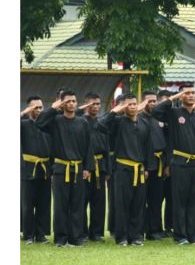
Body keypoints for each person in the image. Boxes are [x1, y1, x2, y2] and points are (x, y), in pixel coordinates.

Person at [151, 84, 195, 244]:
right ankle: (180, 235)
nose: (190, 96)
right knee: (180, 200)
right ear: (181, 96)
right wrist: (173, 99)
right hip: (179, 163)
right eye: (187, 93)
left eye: (192, 93)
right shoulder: (173, 113)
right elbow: (155, 112)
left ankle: (194, 234)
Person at [37, 89, 94, 247]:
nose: (71, 104)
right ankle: (61, 239)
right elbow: (39, 123)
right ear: (62, 103)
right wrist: (53, 108)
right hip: (61, 169)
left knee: (77, 205)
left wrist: (87, 168)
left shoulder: (83, 122)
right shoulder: (56, 121)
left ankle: (75, 238)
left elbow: (89, 146)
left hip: (78, 169)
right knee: (61, 206)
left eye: (74, 101)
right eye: (67, 101)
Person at [99, 93, 153, 246]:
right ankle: (121, 237)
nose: (132, 107)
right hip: (122, 169)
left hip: (140, 169)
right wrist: (115, 111)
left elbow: (148, 146)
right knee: (122, 204)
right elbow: (101, 125)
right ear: (123, 106)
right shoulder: (118, 122)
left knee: (138, 204)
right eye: (128, 104)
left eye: (134, 104)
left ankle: (135, 236)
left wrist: (147, 167)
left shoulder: (144, 124)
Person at [20, 96, 52, 244]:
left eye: (40, 107)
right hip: (28, 169)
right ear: (29, 108)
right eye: (35, 108)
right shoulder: (23, 124)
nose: (38, 110)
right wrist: (24, 112)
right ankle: (28, 235)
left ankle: (40, 234)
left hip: (44, 169)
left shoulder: (47, 125)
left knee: (43, 204)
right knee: (27, 204)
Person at [138, 91, 168, 240]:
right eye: (149, 101)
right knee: (141, 199)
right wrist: (143, 165)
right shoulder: (138, 119)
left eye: (154, 101)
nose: (152, 104)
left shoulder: (159, 119)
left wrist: (167, 164)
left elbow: (167, 143)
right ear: (142, 103)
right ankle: (140, 229)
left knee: (156, 199)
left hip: (159, 163)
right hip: (144, 164)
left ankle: (155, 230)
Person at [79, 93, 109, 242]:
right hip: (85, 167)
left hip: (100, 166)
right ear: (86, 105)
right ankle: (82, 232)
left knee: (99, 202)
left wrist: (107, 169)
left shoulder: (101, 123)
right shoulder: (80, 122)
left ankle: (96, 233)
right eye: (93, 104)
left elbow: (107, 148)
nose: (96, 107)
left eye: (98, 104)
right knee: (82, 201)